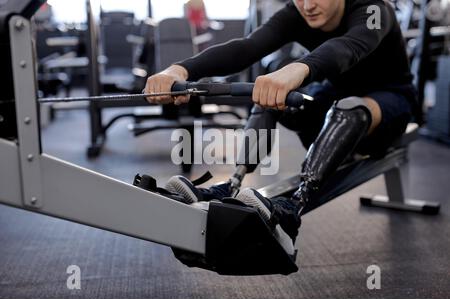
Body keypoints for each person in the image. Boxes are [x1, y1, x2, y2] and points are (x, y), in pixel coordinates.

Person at [143, 0, 416, 245]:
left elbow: (348, 47)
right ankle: (231, 184)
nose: (307, 5)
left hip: (389, 103)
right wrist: (178, 69)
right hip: (336, 98)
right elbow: (246, 48)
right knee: (273, 95)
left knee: (349, 107)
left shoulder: (375, 10)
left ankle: (293, 209)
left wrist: (297, 69)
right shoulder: (297, 13)